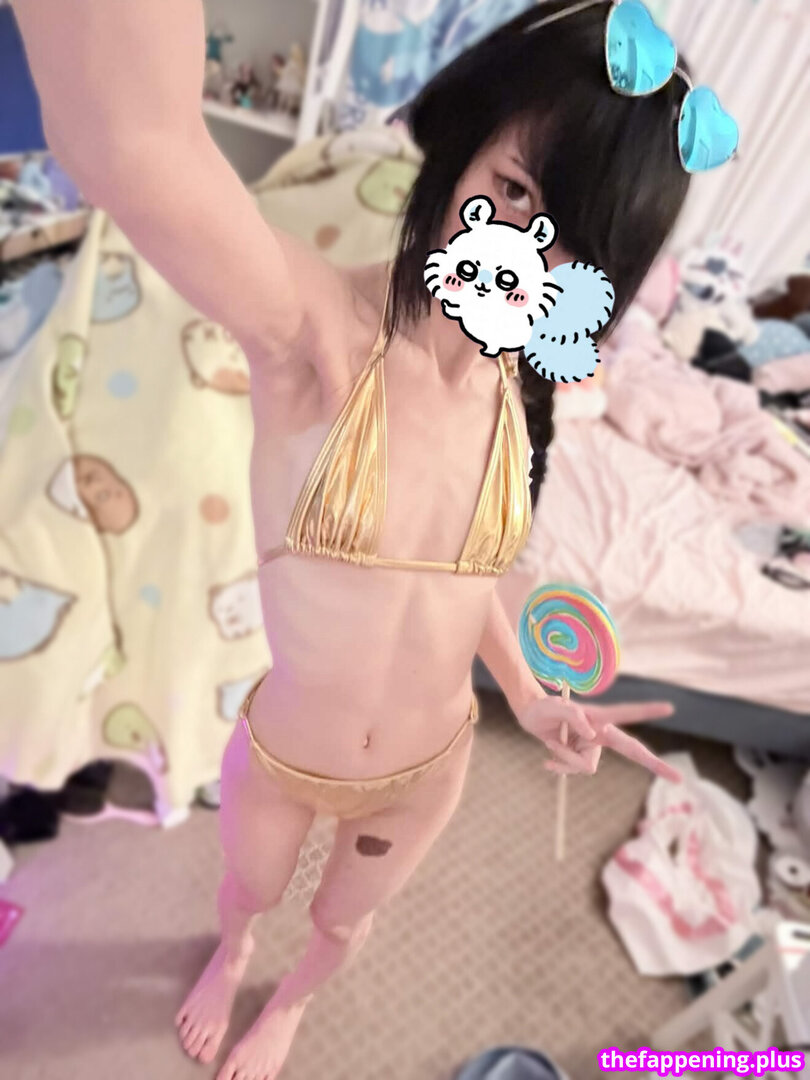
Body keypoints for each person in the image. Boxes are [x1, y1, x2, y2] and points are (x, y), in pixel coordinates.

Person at [14, 1, 692, 1077]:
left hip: (430, 768)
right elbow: (135, 147)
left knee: (341, 925)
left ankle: (287, 1006)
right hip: (286, 754)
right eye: (515, 191)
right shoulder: (316, 337)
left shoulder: (519, 398)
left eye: (574, 238)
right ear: (461, 151)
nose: (525, 253)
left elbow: (461, 578)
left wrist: (527, 694)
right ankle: (234, 956)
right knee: (247, 893)